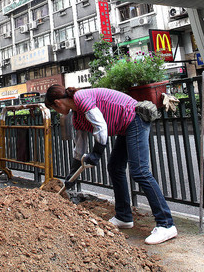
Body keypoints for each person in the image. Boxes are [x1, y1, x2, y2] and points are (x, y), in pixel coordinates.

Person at [44, 84, 177, 245]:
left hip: (135, 118)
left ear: (57, 103)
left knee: (140, 172)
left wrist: (96, 153)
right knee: (115, 168)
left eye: (54, 109)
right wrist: (72, 174)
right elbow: (80, 147)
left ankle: (166, 224)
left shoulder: (81, 98)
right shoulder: (77, 117)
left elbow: (101, 127)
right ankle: (124, 217)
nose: (57, 112)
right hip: (125, 127)